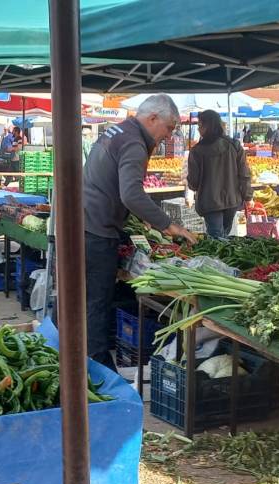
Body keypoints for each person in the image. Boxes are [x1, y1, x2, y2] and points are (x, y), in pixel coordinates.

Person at [83, 94, 197, 365]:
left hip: (84, 220)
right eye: (169, 128)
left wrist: (138, 215)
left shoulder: (119, 130)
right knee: (96, 303)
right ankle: (97, 370)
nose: (169, 135)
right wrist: (167, 224)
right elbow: (131, 194)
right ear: (153, 118)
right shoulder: (134, 142)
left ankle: (62, 351)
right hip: (97, 230)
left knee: (79, 298)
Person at [186, 109, 252, 239]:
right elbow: (244, 174)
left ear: (208, 126)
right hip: (232, 200)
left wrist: (193, 187)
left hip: (210, 202)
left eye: (200, 126)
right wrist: (248, 196)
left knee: (217, 241)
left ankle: (218, 259)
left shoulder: (197, 151)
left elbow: (193, 182)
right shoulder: (234, 145)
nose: (199, 129)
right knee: (223, 237)